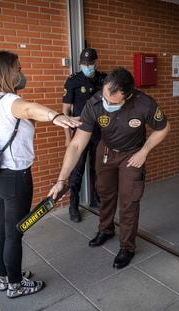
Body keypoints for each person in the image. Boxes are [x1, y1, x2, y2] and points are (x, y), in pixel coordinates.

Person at [0, 50, 81, 298]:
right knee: (15, 233)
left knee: (2, 230)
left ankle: (6, 278)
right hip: (16, 178)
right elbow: (28, 109)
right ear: (8, 71)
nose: (21, 72)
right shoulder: (10, 102)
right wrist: (56, 116)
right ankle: (15, 286)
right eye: (18, 67)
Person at [49, 67, 170, 269]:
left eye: (112, 102)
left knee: (129, 199)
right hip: (106, 152)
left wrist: (145, 151)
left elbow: (163, 127)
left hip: (133, 154)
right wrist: (62, 178)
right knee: (105, 192)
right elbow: (77, 144)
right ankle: (105, 229)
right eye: (105, 97)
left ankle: (127, 246)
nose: (106, 103)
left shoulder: (144, 104)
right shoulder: (95, 102)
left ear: (128, 95)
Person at [62, 48, 106, 222]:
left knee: (98, 167)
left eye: (90, 63)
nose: (87, 66)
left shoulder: (104, 79)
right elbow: (65, 110)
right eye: (84, 64)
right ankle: (74, 205)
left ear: (96, 62)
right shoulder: (73, 80)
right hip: (80, 131)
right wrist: (67, 137)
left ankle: (96, 198)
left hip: (99, 132)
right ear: (80, 63)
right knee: (77, 169)